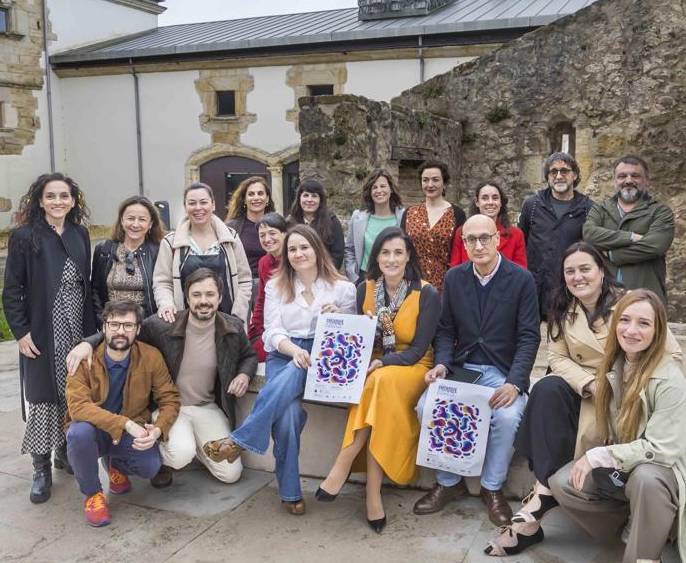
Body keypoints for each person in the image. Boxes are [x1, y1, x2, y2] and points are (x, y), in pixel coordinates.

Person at [490, 243, 682, 556]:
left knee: (550, 394)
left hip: (627, 396)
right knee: (546, 389)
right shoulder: (565, 309)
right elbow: (557, 356)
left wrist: (628, 383)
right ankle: (545, 487)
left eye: (585, 269)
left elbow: (671, 353)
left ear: (601, 271)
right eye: (570, 271)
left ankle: (540, 503)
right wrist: (588, 382)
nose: (578, 277)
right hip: (590, 391)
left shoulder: (629, 303)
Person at [549, 290, 686, 563]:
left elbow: (663, 449)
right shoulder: (614, 366)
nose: (632, 330)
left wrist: (602, 454)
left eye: (644, 323)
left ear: (658, 331)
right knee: (563, 483)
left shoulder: (669, 377)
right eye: (625, 320)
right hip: (628, 460)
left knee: (646, 475)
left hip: (672, 469)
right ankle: (636, 525)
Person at [202, 225, 356, 515]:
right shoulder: (275, 285)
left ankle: (241, 439)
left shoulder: (343, 288)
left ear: (316, 249)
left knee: (301, 368)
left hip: (324, 354)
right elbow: (271, 332)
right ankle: (290, 492)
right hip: (284, 353)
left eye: (304, 247)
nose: (299, 254)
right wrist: (294, 350)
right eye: (292, 249)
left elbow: (352, 333)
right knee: (288, 416)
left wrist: (342, 316)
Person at [67, 268, 258, 489]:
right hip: (171, 408)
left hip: (207, 406)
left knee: (230, 474)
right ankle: (169, 454)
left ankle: (192, 445)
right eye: (196, 295)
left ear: (220, 297)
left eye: (209, 294)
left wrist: (244, 373)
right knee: (177, 455)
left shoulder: (232, 327)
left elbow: (249, 356)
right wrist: (87, 343)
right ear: (187, 298)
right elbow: (123, 330)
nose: (203, 301)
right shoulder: (164, 325)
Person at [414, 214, 540, 526]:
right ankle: (448, 483)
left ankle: (491, 488)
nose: (478, 245)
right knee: (425, 406)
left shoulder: (522, 280)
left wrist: (515, 383)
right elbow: (445, 330)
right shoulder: (455, 278)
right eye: (471, 239)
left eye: (485, 237)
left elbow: (529, 336)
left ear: (498, 239)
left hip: (502, 370)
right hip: (463, 367)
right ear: (463, 243)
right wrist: (442, 364)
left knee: (509, 416)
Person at [316, 227, 440, 532]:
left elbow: (418, 350)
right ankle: (373, 496)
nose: (392, 258)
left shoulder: (426, 292)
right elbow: (362, 336)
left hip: (413, 367)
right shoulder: (365, 289)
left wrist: (382, 362)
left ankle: (343, 463)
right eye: (385, 252)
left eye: (398, 252)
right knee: (375, 388)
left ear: (408, 255)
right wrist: (339, 314)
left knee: (377, 382)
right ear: (376, 257)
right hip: (377, 368)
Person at [2, 172, 96, 504]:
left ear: (74, 201)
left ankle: (64, 451)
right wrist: (20, 332)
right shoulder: (25, 237)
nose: (58, 202)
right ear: (40, 200)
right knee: (44, 397)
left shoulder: (80, 234)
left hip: (77, 324)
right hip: (43, 326)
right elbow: (12, 290)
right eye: (51, 196)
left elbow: (85, 284)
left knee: (73, 389)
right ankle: (41, 467)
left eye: (65, 196)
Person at [64, 300, 180, 527]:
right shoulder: (83, 359)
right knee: (78, 434)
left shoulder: (150, 356)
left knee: (150, 466)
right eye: (114, 325)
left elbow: (169, 398)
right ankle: (93, 495)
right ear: (104, 327)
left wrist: (158, 430)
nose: (120, 331)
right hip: (95, 430)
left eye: (128, 326)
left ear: (138, 329)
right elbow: (77, 407)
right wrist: (125, 424)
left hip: (129, 431)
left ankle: (115, 464)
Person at [153, 182, 253, 323]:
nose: (198, 208)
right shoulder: (171, 243)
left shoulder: (231, 239)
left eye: (203, 202)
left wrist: (238, 314)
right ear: (185, 207)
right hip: (185, 324)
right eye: (192, 203)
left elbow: (244, 280)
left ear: (213, 205)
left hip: (227, 322)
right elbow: (162, 282)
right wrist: (166, 304)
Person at [582, 155, 676, 303]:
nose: (628, 180)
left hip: (645, 297)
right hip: (604, 297)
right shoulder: (600, 209)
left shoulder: (660, 211)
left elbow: (655, 246)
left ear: (646, 180)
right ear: (615, 180)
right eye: (622, 176)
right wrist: (630, 237)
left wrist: (611, 253)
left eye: (635, 175)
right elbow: (589, 234)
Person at [517, 152, 594, 320]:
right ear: (548, 176)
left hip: (569, 289)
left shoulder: (588, 208)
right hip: (535, 288)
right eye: (553, 172)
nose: (559, 176)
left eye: (565, 171)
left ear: (575, 175)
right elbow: (521, 241)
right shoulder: (532, 205)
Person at [90, 195, 165, 326]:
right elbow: (95, 289)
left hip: (147, 324)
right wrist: (102, 321)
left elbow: (164, 287)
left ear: (150, 224)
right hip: (112, 323)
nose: (135, 224)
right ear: (122, 221)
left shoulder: (159, 251)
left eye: (142, 219)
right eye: (130, 218)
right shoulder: (104, 250)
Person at [402, 159, 467, 291]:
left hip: (446, 282)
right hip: (412, 280)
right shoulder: (410, 213)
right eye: (425, 180)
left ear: (445, 183)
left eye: (435, 180)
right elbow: (402, 247)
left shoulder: (457, 214)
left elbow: (460, 251)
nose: (430, 184)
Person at [344, 168, 406, 281]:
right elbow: (349, 249)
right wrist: (354, 277)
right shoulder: (358, 217)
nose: (379, 190)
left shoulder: (404, 216)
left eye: (383, 186)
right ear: (370, 191)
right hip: (365, 277)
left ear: (391, 189)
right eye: (374, 187)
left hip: (395, 277)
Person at [449, 180, 526, 267]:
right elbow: (455, 270)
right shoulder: (462, 232)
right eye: (485, 198)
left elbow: (521, 274)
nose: (490, 202)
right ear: (477, 202)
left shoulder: (516, 235)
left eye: (495, 198)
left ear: (501, 202)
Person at [248, 212, 288, 361]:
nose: (267, 239)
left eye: (272, 233)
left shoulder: (294, 259)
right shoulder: (263, 262)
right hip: (272, 323)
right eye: (262, 235)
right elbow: (262, 298)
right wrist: (255, 327)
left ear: (284, 234)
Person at [225, 176, 275, 286]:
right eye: (251, 194)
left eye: (260, 193)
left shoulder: (277, 226)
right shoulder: (231, 227)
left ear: (267, 198)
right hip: (241, 286)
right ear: (244, 199)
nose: (256, 198)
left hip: (272, 286)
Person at [288, 178, 346, 271]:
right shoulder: (290, 223)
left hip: (325, 276)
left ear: (320, 200)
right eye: (306, 195)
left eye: (314, 196)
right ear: (299, 199)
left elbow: (337, 254)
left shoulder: (332, 222)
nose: (309, 200)